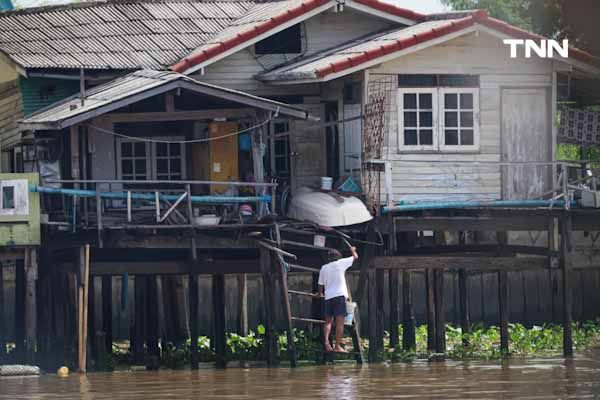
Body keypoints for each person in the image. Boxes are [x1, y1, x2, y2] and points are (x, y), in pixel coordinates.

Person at [318, 246, 359, 353]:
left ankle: (327, 343)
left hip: (328, 297)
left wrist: (319, 294)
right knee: (340, 322)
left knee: (328, 322)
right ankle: (337, 346)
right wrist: (353, 250)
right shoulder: (341, 263)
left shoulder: (324, 268)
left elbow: (320, 285)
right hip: (340, 296)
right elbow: (355, 257)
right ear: (338, 257)